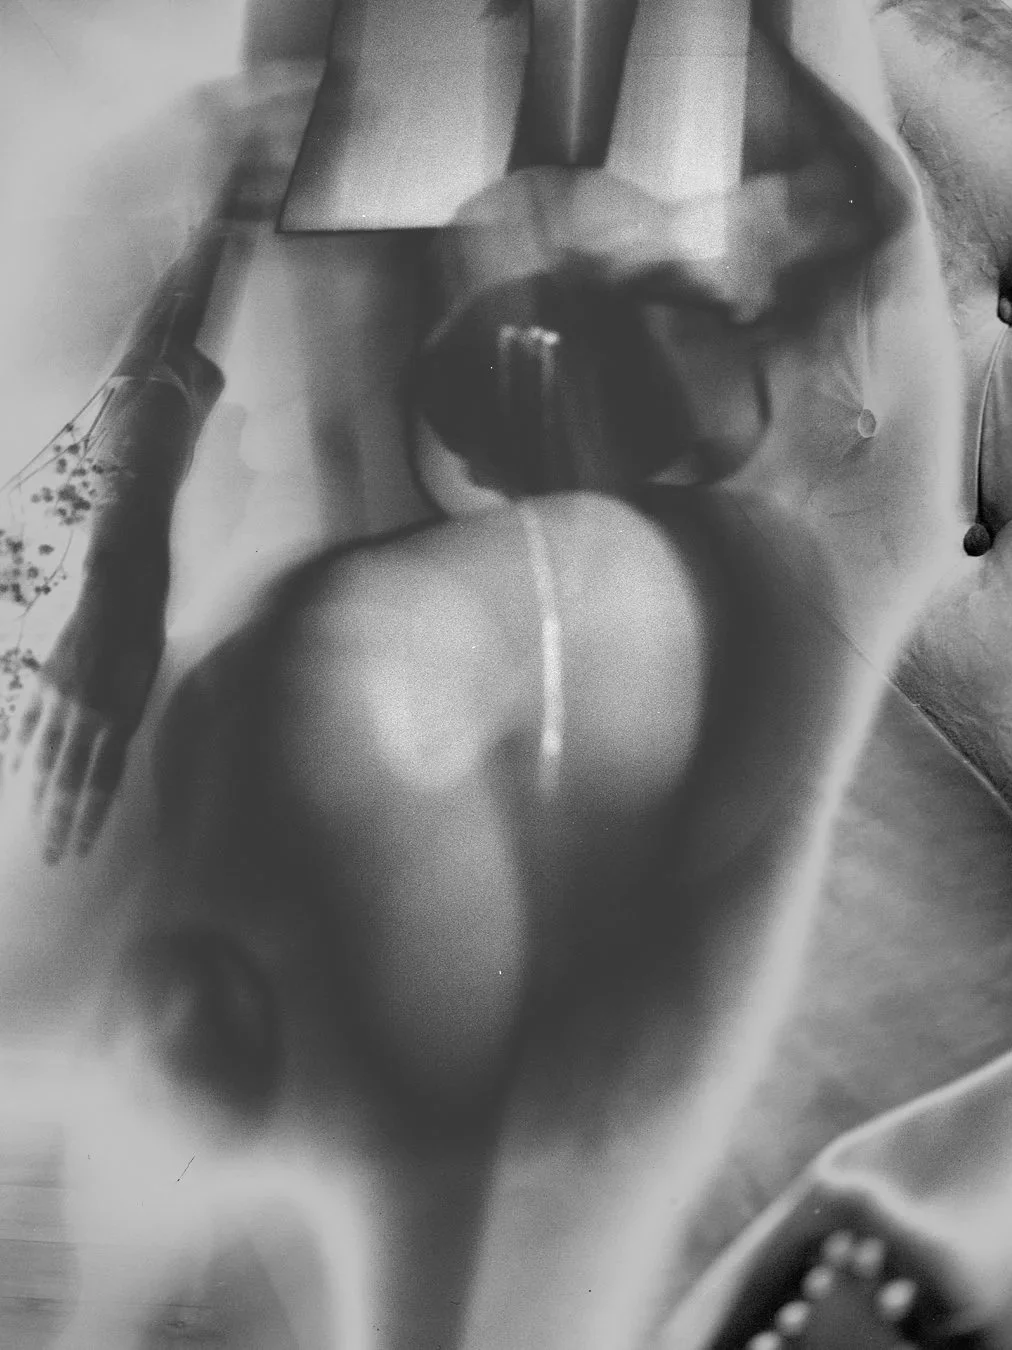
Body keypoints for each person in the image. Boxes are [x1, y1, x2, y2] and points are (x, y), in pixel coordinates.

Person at [0, 1, 969, 1346]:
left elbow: (845, 230)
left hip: (632, 594)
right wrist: (126, 560)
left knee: (355, 713)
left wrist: (713, 248)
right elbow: (227, 225)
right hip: (409, 601)